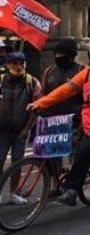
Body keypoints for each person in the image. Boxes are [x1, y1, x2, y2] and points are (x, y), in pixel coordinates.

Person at [30, 44, 90, 206]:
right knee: (81, 155)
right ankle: (71, 190)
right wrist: (40, 103)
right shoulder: (84, 74)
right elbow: (64, 91)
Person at [0, 52, 41, 206]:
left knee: (17, 162)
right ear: (7, 65)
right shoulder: (1, 81)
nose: (19, 66)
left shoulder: (33, 83)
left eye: (22, 63)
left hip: (20, 131)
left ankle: (13, 193)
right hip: (2, 131)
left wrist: (27, 128)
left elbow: (36, 108)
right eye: (15, 63)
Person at [40, 40, 84, 117]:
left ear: (71, 56)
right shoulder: (49, 71)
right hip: (51, 117)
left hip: (74, 118)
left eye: (62, 55)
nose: (59, 57)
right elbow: (42, 94)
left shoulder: (82, 70)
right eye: (57, 55)